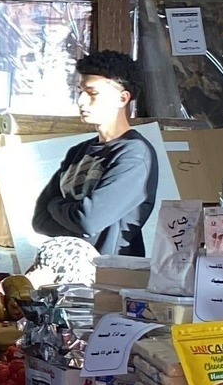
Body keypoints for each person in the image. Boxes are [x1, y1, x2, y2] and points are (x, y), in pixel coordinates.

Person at [33, 50, 159, 257]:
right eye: (80, 91)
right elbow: (39, 221)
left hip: (108, 272)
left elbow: (88, 220)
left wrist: (55, 205)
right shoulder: (77, 152)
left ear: (122, 98)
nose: (81, 101)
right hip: (67, 267)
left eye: (92, 93)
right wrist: (74, 214)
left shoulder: (134, 154)